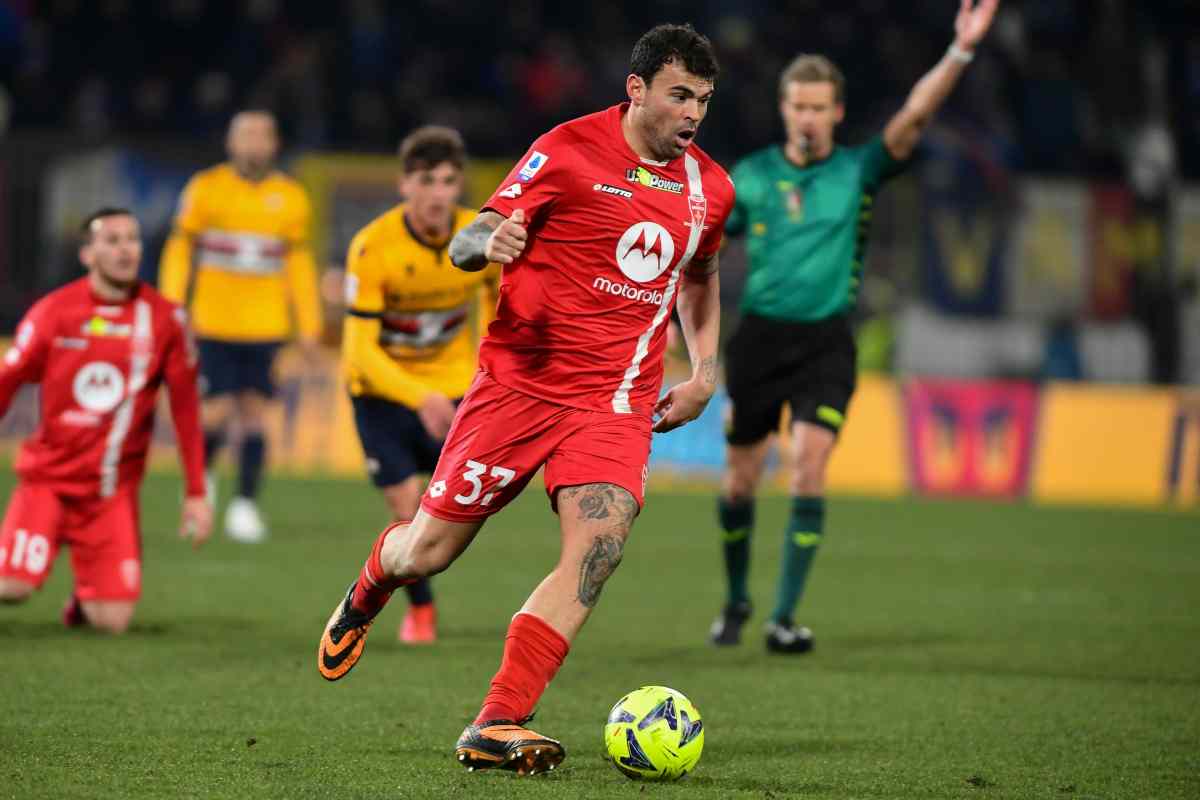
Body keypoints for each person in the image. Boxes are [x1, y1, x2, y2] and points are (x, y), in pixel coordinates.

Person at [317, 23, 733, 776]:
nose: (693, 114)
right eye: (680, 96)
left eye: (703, 100)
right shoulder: (567, 150)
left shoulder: (711, 189)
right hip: (518, 387)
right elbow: (469, 237)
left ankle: (497, 720)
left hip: (614, 401)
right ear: (637, 90)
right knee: (429, 551)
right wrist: (489, 244)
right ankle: (376, 578)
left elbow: (700, 278)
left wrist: (705, 371)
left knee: (599, 547)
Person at [711, 0, 1000, 653]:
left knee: (809, 470)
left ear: (836, 113)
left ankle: (783, 619)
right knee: (738, 481)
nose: (808, 117)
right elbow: (702, 254)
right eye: (798, 106)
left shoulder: (859, 171)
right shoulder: (751, 177)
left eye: (819, 107)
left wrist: (959, 50)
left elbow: (917, 115)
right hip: (758, 339)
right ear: (784, 109)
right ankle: (735, 601)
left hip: (826, 342)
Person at [0, 208, 212, 633]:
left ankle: (83, 598)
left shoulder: (166, 319)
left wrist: (195, 490)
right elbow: (7, 380)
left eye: (131, 239)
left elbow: (186, 408)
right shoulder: (54, 312)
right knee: (13, 586)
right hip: (49, 480)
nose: (124, 249)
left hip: (110, 491)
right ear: (87, 254)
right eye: (111, 240)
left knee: (112, 622)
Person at [342, 126, 500, 644]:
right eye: (427, 180)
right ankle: (422, 610)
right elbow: (359, 349)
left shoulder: (479, 236)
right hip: (382, 392)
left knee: (445, 512)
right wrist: (420, 396)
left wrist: (490, 370)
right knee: (406, 505)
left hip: (455, 388)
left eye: (449, 181)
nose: (438, 193)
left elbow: (502, 307)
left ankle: (414, 593)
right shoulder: (373, 248)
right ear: (404, 185)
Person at [159, 110, 322, 543]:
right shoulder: (206, 189)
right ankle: (203, 487)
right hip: (213, 323)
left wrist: (309, 325)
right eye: (245, 135)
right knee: (214, 413)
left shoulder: (291, 198)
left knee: (254, 416)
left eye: (261, 135)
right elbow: (179, 249)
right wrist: (173, 307)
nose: (253, 144)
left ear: (275, 144)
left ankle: (245, 506)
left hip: (266, 326)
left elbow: (300, 265)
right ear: (231, 143)